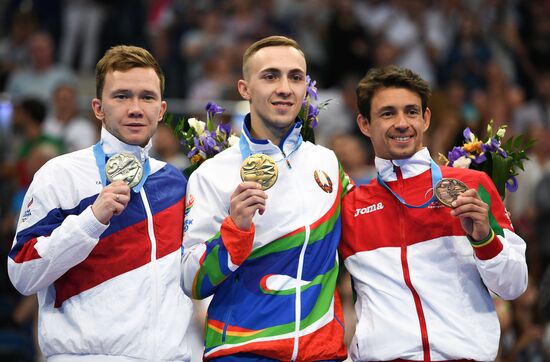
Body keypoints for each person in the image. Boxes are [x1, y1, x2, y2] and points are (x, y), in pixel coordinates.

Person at [7, 45, 193, 361]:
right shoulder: (60, 174)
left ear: (161, 110)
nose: (136, 108)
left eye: (147, 97)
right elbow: (23, 274)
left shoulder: (176, 182)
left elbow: (191, 275)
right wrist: (91, 219)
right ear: (98, 108)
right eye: (121, 96)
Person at [339, 65, 528, 361]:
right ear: (364, 124)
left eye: (411, 112)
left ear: (426, 119)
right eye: (388, 113)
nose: (402, 123)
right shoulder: (351, 206)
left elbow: (514, 285)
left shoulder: (471, 186)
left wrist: (484, 237)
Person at [182, 35, 351, 361]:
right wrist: (236, 229)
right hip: (244, 351)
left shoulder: (327, 162)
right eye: (271, 76)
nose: (285, 88)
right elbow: (191, 281)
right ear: (245, 89)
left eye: (296, 77)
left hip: (322, 352)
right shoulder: (213, 174)